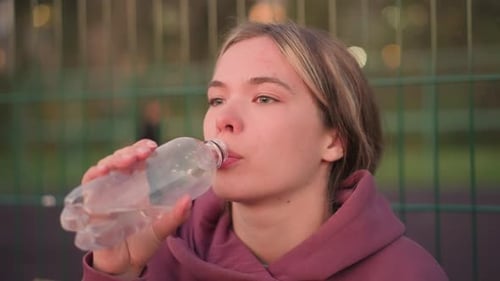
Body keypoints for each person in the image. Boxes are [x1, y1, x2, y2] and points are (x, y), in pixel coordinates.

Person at [80, 21, 448, 281]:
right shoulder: (158, 259)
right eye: (217, 98)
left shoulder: (405, 273)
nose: (224, 117)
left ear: (334, 141)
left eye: (264, 98)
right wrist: (118, 273)